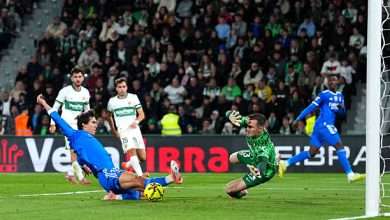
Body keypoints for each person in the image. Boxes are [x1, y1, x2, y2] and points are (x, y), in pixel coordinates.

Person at [36, 94, 183, 200]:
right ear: (83, 125)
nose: (96, 124)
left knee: (138, 192)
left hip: (110, 173)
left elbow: (82, 159)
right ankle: (171, 178)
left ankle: (115, 196)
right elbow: (57, 117)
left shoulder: (88, 140)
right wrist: (43, 103)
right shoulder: (75, 135)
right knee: (139, 180)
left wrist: (83, 165)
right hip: (108, 174)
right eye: (93, 122)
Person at [278, 74, 365, 183]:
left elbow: (342, 113)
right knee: (339, 145)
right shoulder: (324, 95)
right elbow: (311, 107)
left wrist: (340, 109)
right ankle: (350, 174)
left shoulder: (340, 96)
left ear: (338, 82)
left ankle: (285, 163)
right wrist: (298, 118)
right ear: (328, 83)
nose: (332, 82)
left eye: (334, 80)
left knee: (312, 152)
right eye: (330, 80)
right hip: (324, 125)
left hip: (321, 128)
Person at [49, 67, 91, 184]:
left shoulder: (85, 92)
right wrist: (53, 123)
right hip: (67, 124)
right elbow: (55, 108)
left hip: (79, 125)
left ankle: (70, 173)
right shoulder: (65, 91)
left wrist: (89, 124)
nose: (78, 79)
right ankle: (80, 177)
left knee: (78, 149)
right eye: (75, 77)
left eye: (80, 77)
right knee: (73, 149)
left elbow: (87, 111)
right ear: (71, 78)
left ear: (83, 78)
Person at [224, 111, 277, 199]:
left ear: (260, 128)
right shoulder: (250, 122)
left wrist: (256, 170)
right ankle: (242, 184)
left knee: (229, 190)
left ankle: (242, 191)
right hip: (254, 156)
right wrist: (230, 115)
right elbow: (230, 114)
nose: (247, 129)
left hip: (265, 170)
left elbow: (262, 166)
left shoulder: (263, 148)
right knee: (231, 158)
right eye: (247, 126)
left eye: (250, 127)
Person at [107, 77, 146, 176]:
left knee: (142, 157)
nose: (122, 89)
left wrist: (136, 121)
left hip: (135, 129)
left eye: (123, 86)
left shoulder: (133, 97)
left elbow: (142, 114)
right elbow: (108, 117)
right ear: (116, 88)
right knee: (132, 151)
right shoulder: (112, 101)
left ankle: (128, 165)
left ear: (127, 87)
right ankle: (141, 177)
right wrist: (114, 130)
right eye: (119, 87)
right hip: (123, 130)